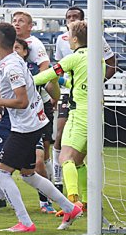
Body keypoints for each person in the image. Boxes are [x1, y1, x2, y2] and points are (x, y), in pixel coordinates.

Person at [0, 23, 81, 233]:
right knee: (28, 174)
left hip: (25, 126)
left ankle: (24, 222)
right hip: (32, 122)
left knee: (2, 174)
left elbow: (21, 101)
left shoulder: (11, 66)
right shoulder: (12, 61)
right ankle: (70, 208)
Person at [35, 19, 103, 212]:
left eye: (68, 36)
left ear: (74, 39)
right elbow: (75, 84)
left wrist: (28, 81)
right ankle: (88, 203)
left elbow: (46, 75)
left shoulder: (74, 57)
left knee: (66, 158)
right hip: (97, 115)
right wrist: (61, 80)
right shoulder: (98, 59)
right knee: (79, 161)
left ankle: (72, 202)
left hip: (80, 113)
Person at [51, 6, 117, 187]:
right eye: (68, 17)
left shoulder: (96, 39)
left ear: (83, 20)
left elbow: (112, 64)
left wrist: (95, 83)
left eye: (75, 17)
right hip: (68, 94)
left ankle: (86, 186)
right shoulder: (60, 40)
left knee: (86, 145)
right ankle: (58, 179)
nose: (71, 20)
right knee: (59, 133)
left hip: (88, 99)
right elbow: (58, 69)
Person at [11, 10, 61, 212]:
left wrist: (33, 87)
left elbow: (45, 69)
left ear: (30, 26)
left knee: (44, 152)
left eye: (21, 21)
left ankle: (50, 192)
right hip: (20, 106)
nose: (16, 24)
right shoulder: (10, 44)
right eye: (14, 20)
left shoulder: (34, 44)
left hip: (39, 104)